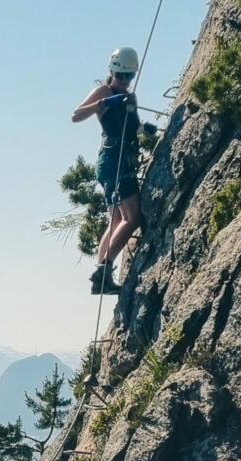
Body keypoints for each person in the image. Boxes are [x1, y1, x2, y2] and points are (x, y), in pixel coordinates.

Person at [72, 46, 155, 295]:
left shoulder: (130, 98)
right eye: (121, 76)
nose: (124, 81)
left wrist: (144, 129)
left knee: (116, 220)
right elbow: (76, 116)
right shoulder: (104, 91)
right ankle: (104, 269)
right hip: (114, 162)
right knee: (132, 218)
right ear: (112, 72)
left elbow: (129, 127)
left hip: (118, 161)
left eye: (129, 77)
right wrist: (102, 103)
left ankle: (102, 277)